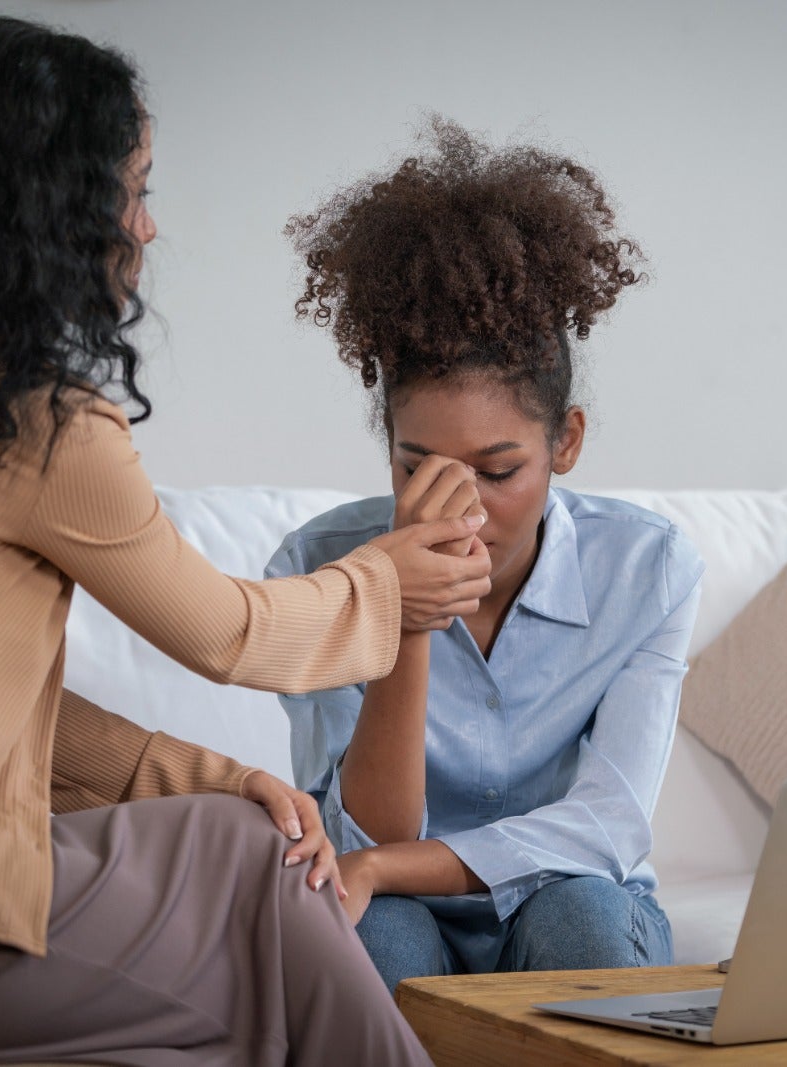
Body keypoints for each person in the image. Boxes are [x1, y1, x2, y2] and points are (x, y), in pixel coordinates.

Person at [0, 17, 484, 1065]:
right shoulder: (31, 425)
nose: (148, 228)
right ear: (52, 215)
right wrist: (386, 582)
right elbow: (230, 633)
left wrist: (208, 774)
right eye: (135, 190)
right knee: (261, 865)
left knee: (229, 929)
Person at [270, 121, 705, 992]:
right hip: (397, 913)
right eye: (417, 468)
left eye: (499, 471)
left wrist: (385, 866)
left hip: (564, 902)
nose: (459, 508)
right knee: (373, 934)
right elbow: (359, 842)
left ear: (566, 441)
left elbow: (606, 826)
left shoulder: (647, 569)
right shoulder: (315, 568)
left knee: (583, 916)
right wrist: (407, 614)